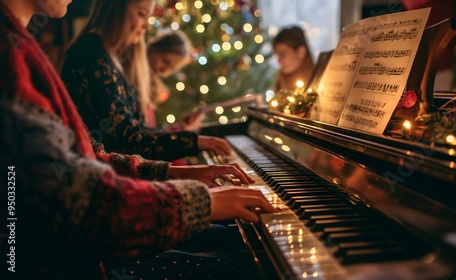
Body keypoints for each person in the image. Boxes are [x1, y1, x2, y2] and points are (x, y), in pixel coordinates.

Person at [0, 0, 276, 279]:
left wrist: (173, 172)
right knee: (254, 265)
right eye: (142, 14)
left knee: (244, 240)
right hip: (89, 258)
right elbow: (83, 198)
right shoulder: (22, 55)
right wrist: (202, 200)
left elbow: (90, 156)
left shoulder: (22, 48)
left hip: (101, 230)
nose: (146, 26)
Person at [61, 1, 229, 161]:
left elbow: (137, 130)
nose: (147, 26)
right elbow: (128, 140)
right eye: (142, 14)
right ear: (117, 7)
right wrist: (194, 141)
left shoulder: (111, 59)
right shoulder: (92, 54)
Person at [147, 30, 205, 131]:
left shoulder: (153, 88)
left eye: (171, 68)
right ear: (154, 48)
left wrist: (181, 129)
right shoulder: (134, 80)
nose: (165, 69)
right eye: (165, 61)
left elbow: (149, 134)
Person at [272, 26, 316, 92]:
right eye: (277, 55)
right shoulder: (280, 83)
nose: (278, 60)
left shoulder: (318, 80)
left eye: (282, 55)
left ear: (301, 52)